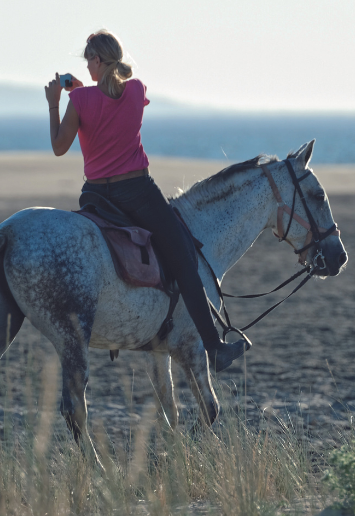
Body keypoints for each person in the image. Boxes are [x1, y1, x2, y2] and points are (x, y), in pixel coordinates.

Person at [44, 30, 248, 372]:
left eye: (88, 61)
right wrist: (85, 91)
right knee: (184, 259)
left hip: (96, 195)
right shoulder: (136, 89)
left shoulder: (80, 102)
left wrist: (56, 101)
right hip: (137, 193)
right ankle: (213, 347)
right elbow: (112, 105)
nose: (87, 67)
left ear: (96, 60)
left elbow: (58, 146)